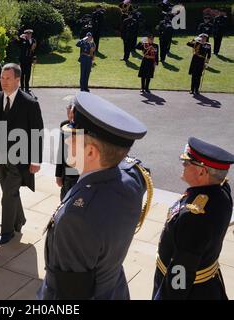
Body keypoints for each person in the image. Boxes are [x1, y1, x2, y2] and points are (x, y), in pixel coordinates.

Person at [38, 92, 152, 300]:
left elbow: (69, 294)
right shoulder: (133, 178)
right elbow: (137, 169)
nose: (66, 142)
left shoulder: (76, 218)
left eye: (72, 137)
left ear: (90, 153)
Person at [152, 137, 234, 300]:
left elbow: (181, 271)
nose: (183, 165)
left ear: (202, 172)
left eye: (187, 163)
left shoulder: (193, 217)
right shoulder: (221, 191)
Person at [0, 63, 44, 245]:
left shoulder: (30, 104)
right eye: (2, 78)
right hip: (0, 157)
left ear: (18, 80)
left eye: (8, 78)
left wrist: (35, 159)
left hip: (20, 160)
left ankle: (7, 231)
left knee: (8, 194)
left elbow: (37, 132)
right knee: (9, 192)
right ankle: (19, 220)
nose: (3, 82)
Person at [55, 101, 79, 200]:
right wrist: (58, 174)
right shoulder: (64, 125)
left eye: (72, 112)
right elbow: (61, 150)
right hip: (67, 174)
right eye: (68, 111)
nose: (69, 115)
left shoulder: (86, 129)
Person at [17, 29, 36, 93]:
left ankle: (27, 88)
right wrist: (20, 37)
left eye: (30, 34)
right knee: (22, 74)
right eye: (27, 34)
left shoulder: (33, 40)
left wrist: (34, 59)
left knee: (28, 74)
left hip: (29, 60)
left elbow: (33, 51)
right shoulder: (22, 40)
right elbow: (16, 44)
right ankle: (22, 87)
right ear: (25, 34)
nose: (29, 35)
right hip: (23, 60)